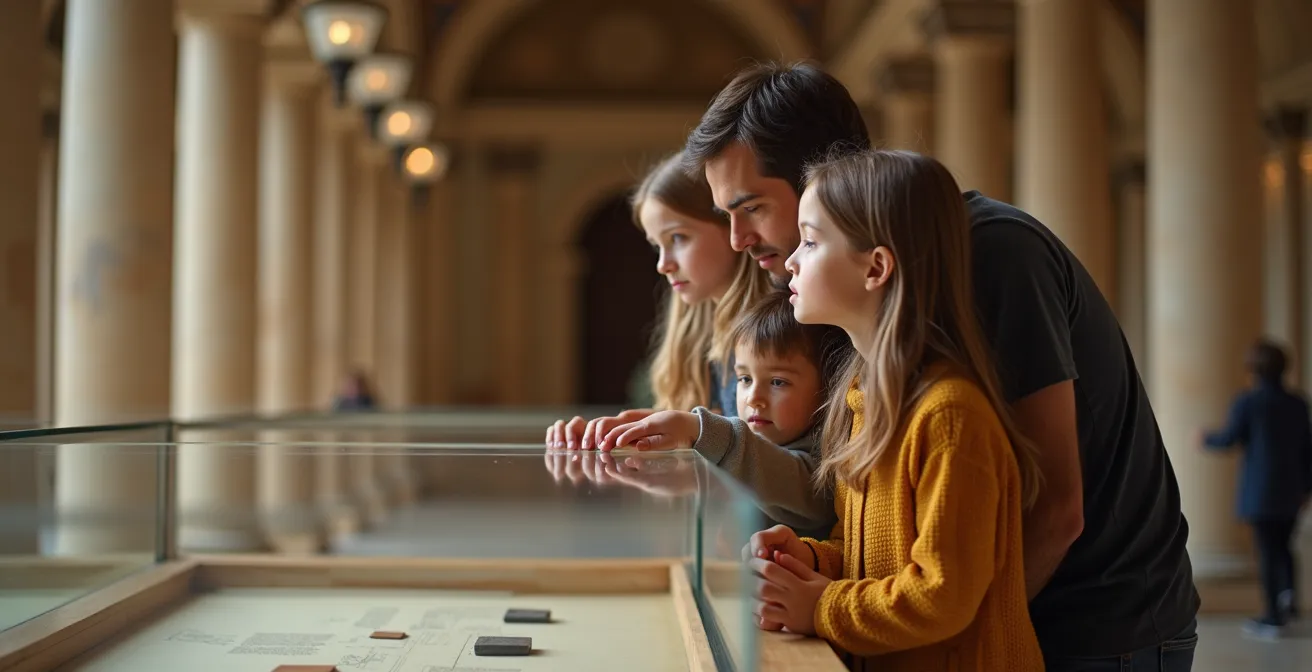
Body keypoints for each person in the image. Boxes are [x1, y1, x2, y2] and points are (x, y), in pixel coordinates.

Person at [603, 61, 1199, 668]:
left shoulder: (992, 257)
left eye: (751, 207)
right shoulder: (855, 311)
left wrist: (914, 635)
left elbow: (1055, 509)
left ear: (819, 180)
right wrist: (820, 564)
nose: (736, 239)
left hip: (1097, 631)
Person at [740, 148, 1043, 669]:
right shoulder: (862, 399)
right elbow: (869, 556)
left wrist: (820, 605)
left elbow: (941, 596)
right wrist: (808, 558)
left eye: (810, 242)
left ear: (876, 267)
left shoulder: (949, 415)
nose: (790, 259)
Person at [545, 151, 769, 451]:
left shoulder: (773, 332)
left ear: (732, 225)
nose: (663, 265)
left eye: (677, 238)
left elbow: (773, 454)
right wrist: (618, 433)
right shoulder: (704, 337)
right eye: (657, 246)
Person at [606, 289, 848, 536]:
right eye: (744, 378)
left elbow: (800, 483)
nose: (753, 398)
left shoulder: (825, 464)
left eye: (777, 382)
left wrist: (700, 429)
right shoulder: (750, 453)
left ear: (827, 386)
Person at [1200, 339, 1312, 640]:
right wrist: (1307, 488)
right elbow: (1308, 449)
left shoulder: (1248, 402)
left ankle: (1272, 616)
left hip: (1261, 491)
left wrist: (1204, 438)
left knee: (1267, 552)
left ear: (1254, 369)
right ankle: (1288, 601)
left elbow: (1230, 438)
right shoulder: (1298, 402)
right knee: (1285, 548)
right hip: (1291, 490)